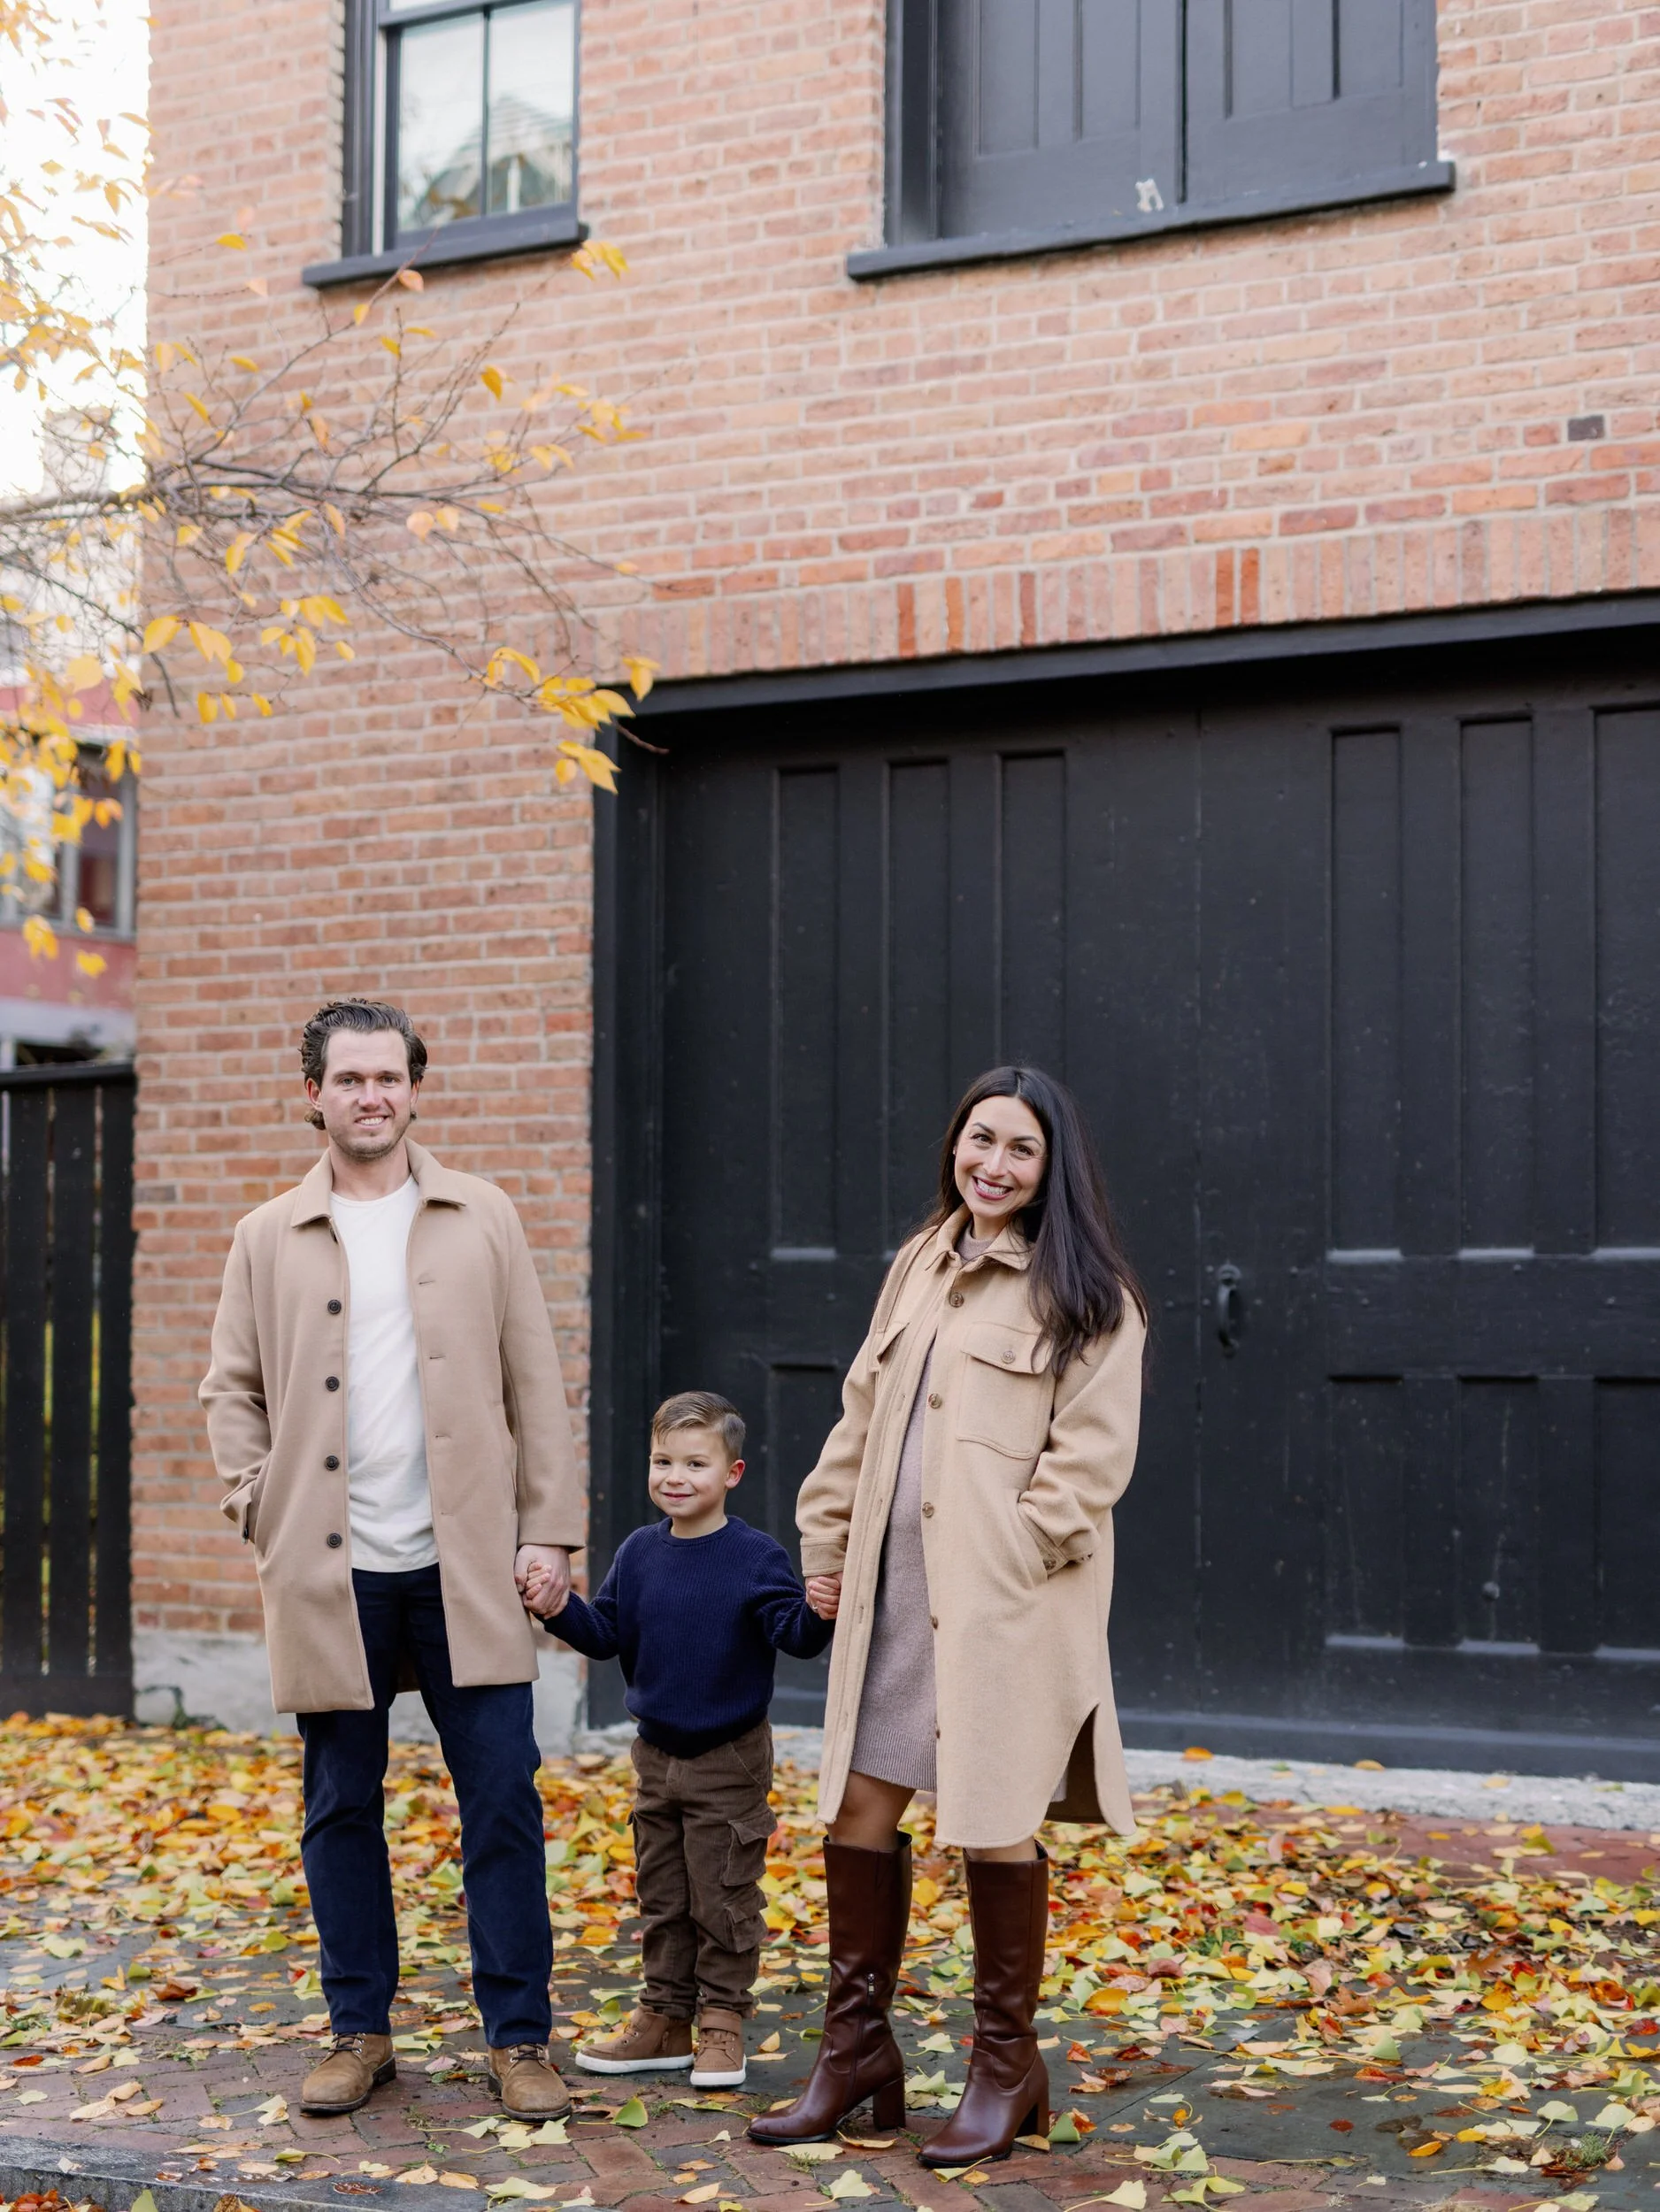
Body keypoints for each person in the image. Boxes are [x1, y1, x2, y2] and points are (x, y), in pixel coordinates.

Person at [749, 1067, 1147, 2166]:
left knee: (989, 1819)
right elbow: (860, 1414)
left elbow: (1089, 1465)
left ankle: (1005, 2065)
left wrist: (1015, 1557)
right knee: (859, 1810)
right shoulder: (921, 1262)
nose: (994, 1166)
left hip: (1003, 1608)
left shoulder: (1092, 1294)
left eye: (1020, 1151)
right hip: (894, 1594)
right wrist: (825, 1546)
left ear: (1050, 1168)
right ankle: (856, 2052)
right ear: (955, 1145)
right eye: (981, 1141)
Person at [200, 999, 583, 2121]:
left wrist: (548, 1528)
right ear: (310, 1093)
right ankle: (359, 2031)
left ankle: (520, 2039)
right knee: (339, 1805)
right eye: (349, 1078)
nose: (372, 1095)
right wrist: (257, 1503)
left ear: (416, 1088)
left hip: (463, 1567)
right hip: (333, 1569)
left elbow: (536, 1386)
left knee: (503, 1798)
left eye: (390, 1077)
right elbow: (231, 1388)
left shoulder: (482, 1215)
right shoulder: (267, 1233)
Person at [524, 1391, 834, 2090]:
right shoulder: (638, 1553)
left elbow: (794, 1635)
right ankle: (664, 2017)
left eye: (696, 1462)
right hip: (655, 1756)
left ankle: (722, 2021)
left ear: (733, 1473)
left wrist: (818, 1613)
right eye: (664, 1460)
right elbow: (604, 1635)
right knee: (662, 1894)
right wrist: (558, 1607)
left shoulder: (755, 1557)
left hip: (729, 1755)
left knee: (723, 1895)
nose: (676, 1476)